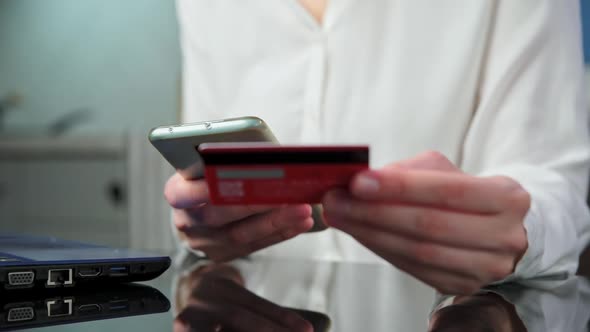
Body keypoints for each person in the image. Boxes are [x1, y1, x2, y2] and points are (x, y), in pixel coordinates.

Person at [166, 0, 590, 295]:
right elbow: (207, 162)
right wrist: (203, 219)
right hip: (244, 304)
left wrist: (521, 232)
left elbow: (549, 181)